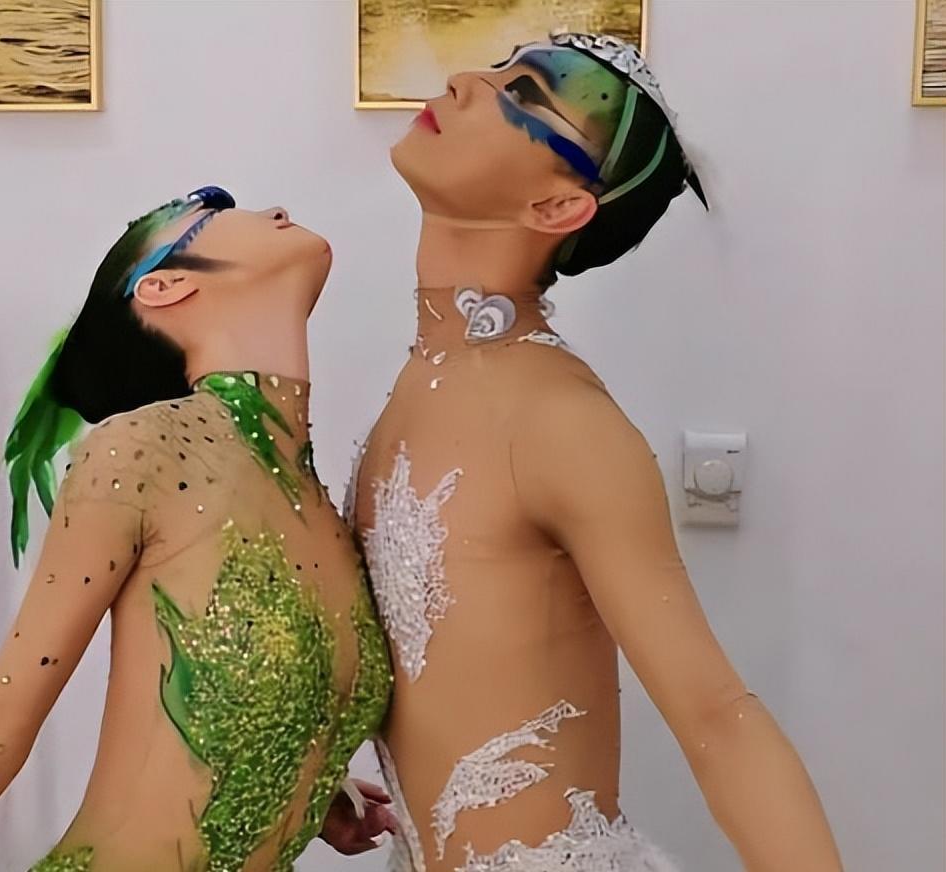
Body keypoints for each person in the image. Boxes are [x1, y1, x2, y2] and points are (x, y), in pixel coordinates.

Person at [347, 33, 844, 871]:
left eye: (524, 96)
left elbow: (718, 715)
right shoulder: (426, 381)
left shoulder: (560, 422)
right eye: (498, 69)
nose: (465, 80)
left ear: (556, 207)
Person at [0, 187, 395, 872]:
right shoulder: (142, 451)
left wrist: (303, 789)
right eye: (211, 209)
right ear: (162, 285)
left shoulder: (325, 504)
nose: (274, 209)